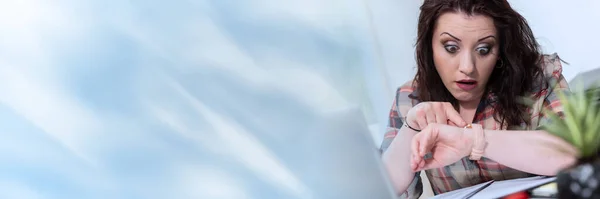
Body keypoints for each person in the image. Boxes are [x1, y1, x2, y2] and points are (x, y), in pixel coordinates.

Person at [380, 0, 578, 198]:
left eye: (483, 50)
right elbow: (382, 192)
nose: (467, 67)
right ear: (429, 46)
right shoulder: (411, 98)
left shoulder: (538, 76)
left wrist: (474, 140)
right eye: (451, 48)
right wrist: (411, 129)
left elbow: (572, 153)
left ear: (500, 50)